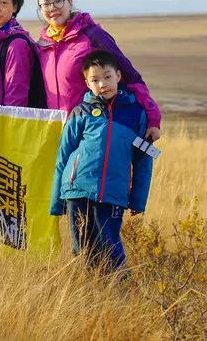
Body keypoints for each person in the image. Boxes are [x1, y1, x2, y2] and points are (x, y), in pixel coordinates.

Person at [49, 50, 154, 272]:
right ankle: (86, 295)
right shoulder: (81, 112)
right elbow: (63, 155)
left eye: (107, 77)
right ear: (87, 84)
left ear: (118, 75)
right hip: (77, 191)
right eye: (95, 80)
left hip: (113, 194)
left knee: (110, 248)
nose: (102, 84)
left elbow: (144, 161)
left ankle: (120, 293)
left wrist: (138, 200)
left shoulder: (136, 114)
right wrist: (56, 199)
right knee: (82, 251)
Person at [35, 0, 162, 142]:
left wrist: (153, 119)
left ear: (70, 2)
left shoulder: (93, 35)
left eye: (59, 1)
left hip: (92, 128)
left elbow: (130, 76)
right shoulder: (42, 45)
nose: (52, 8)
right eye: (45, 4)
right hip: (58, 134)